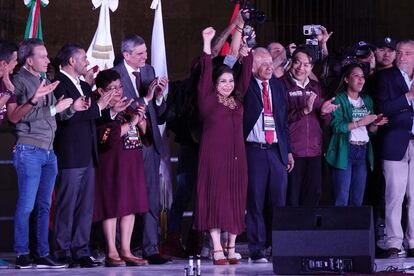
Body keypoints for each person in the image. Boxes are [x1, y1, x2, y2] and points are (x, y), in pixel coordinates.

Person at [12, 38, 87, 269]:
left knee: (45, 205)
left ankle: (42, 252)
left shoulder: (44, 79)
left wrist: (71, 109)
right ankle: (22, 252)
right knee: (26, 205)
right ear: (29, 60)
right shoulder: (20, 82)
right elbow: (20, 117)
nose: (48, 60)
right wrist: (52, 108)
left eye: (47, 55)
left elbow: (55, 115)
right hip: (29, 149)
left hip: (48, 151)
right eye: (42, 56)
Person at [52, 43, 123, 268]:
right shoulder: (58, 85)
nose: (86, 61)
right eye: (83, 57)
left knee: (85, 207)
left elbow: (90, 116)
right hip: (70, 154)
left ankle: (81, 250)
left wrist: (108, 110)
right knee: (67, 205)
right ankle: (62, 250)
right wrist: (100, 105)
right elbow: (67, 117)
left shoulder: (83, 84)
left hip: (88, 155)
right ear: (72, 61)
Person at [193, 26, 252, 265]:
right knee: (215, 199)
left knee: (236, 199)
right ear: (215, 83)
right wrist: (207, 42)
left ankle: (231, 246)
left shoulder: (236, 101)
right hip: (214, 158)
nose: (228, 84)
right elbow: (206, 71)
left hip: (237, 158)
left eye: (230, 80)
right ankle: (216, 246)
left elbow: (246, 78)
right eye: (223, 81)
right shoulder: (207, 99)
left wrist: (247, 57)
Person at [113, 34, 170, 264]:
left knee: (151, 196)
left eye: (146, 52)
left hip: (149, 143)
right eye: (140, 54)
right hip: (127, 144)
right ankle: (120, 248)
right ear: (126, 55)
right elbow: (124, 108)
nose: (145, 57)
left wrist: (157, 97)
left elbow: (160, 111)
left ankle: (151, 247)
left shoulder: (148, 71)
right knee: (125, 198)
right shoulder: (115, 74)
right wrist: (146, 98)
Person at [93, 69, 150, 267]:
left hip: (132, 161)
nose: (118, 91)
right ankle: (111, 250)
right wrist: (131, 122)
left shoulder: (127, 107)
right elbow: (105, 136)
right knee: (112, 206)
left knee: (130, 206)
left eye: (120, 87)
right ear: (101, 91)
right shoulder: (98, 110)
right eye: (112, 88)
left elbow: (143, 132)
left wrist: (140, 119)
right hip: (111, 164)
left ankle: (126, 249)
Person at [243, 46, 293, 263]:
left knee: (279, 201)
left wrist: (288, 150)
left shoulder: (277, 85)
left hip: (276, 150)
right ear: (252, 66)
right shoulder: (245, 85)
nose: (268, 68)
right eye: (262, 63)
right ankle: (256, 248)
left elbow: (282, 120)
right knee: (255, 201)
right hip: (254, 150)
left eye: (270, 63)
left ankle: (278, 245)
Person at [282, 46, 338, 206]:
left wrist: (325, 112)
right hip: (292, 153)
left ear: (311, 67)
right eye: (297, 63)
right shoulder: (280, 85)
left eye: (306, 65)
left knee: (312, 198)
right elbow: (279, 120)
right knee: (291, 199)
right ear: (291, 63)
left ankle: (307, 232)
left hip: (314, 152)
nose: (301, 68)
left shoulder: (316, 86)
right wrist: (304, 110)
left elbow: (326, 121)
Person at [326, 63, 387, 206]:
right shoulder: (339, 99)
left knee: (357, 197)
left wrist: (374, 124)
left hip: (363, 151)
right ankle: (339, 228)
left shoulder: (367, 100)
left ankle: (354, 228)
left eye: (362, 77)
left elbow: (370, 132)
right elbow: (336, 127)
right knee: (342, 196)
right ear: (347, 79)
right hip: (345, 150)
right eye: (356, 76)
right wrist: (361, 122)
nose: (361, 80)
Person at [375, 40, 414, 258]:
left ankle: (413, 240)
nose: (401, 57)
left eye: (408, 53)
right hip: (394, 141)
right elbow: (383, 108)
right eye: (399, 52)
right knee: (394, 195)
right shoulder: (385, 77)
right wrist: (408, 96)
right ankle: (393, 242)